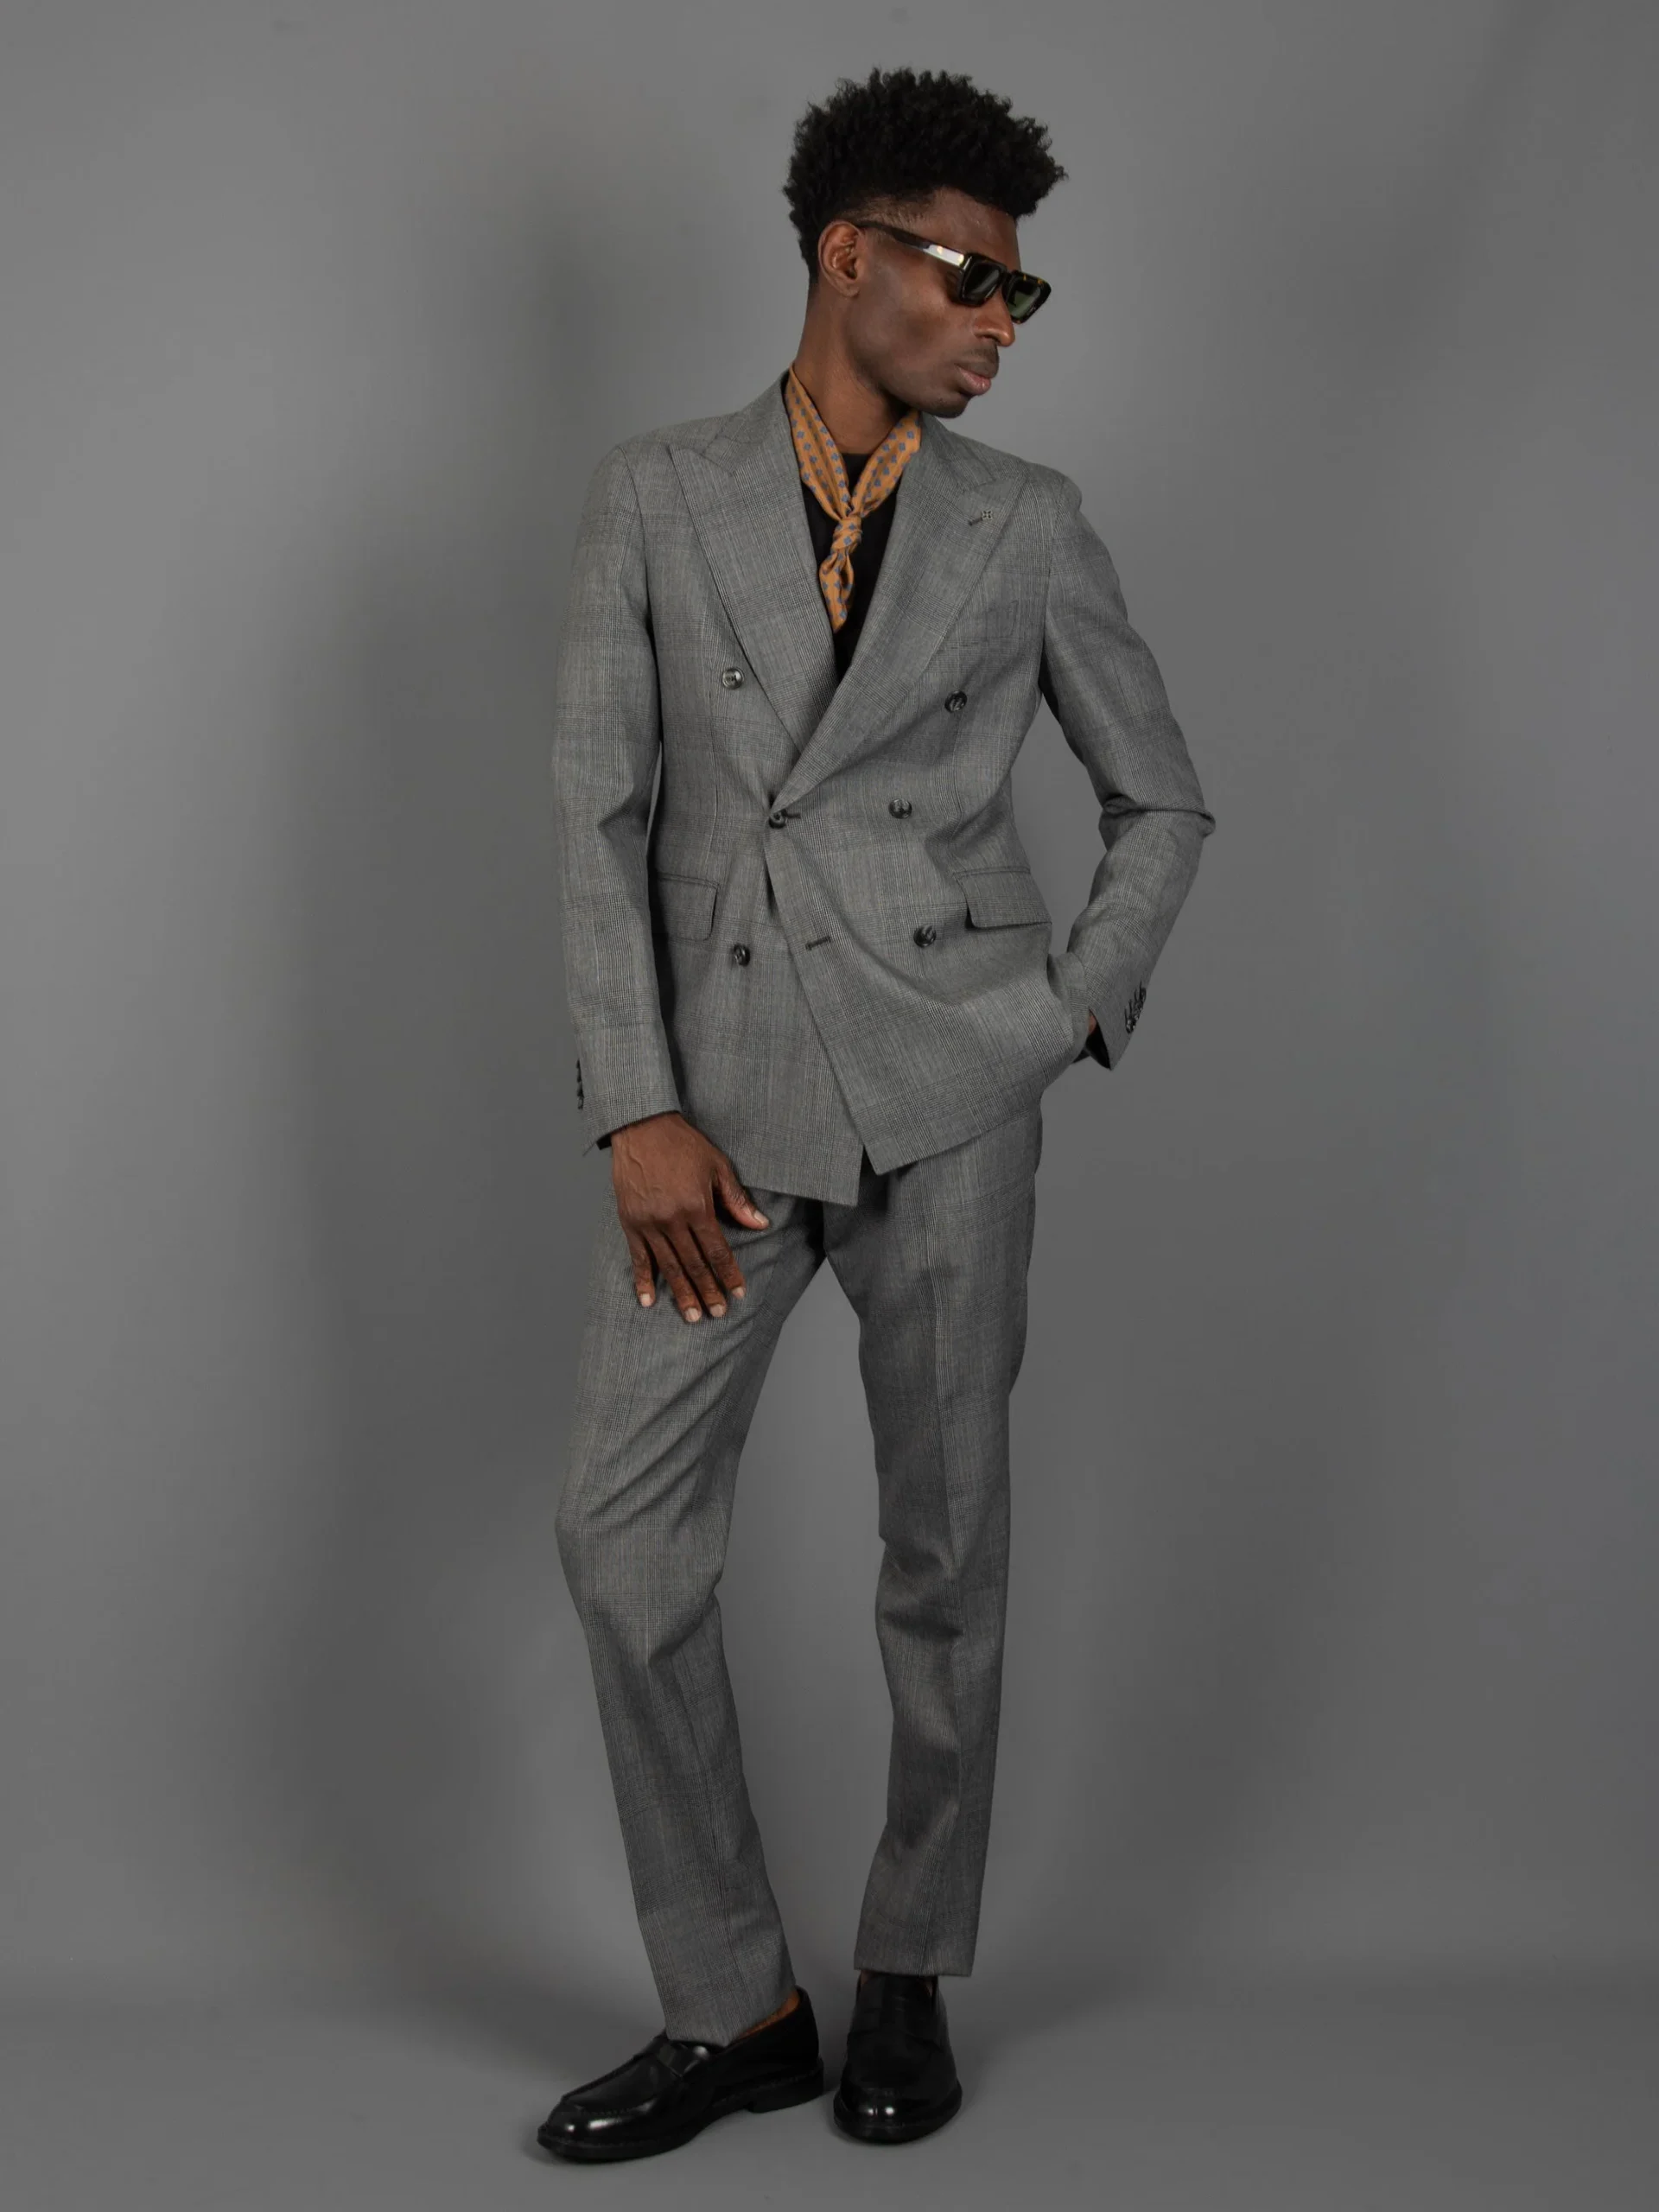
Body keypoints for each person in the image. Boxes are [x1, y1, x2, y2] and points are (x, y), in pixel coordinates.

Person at [538, 64, 1215, 2162]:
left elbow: (1161, 797)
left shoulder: (1029, 522)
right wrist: (634, 1106)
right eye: (968, 277)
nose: (1001, 323)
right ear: (850, 258)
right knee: (620, 1538)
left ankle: (910, 1957)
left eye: (1023, 294)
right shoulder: (657, 494)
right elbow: (598, 814)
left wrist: (1061, 1013)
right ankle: (734, 1998)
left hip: (952, 1090)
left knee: (947, 1546)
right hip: (719, 1117)